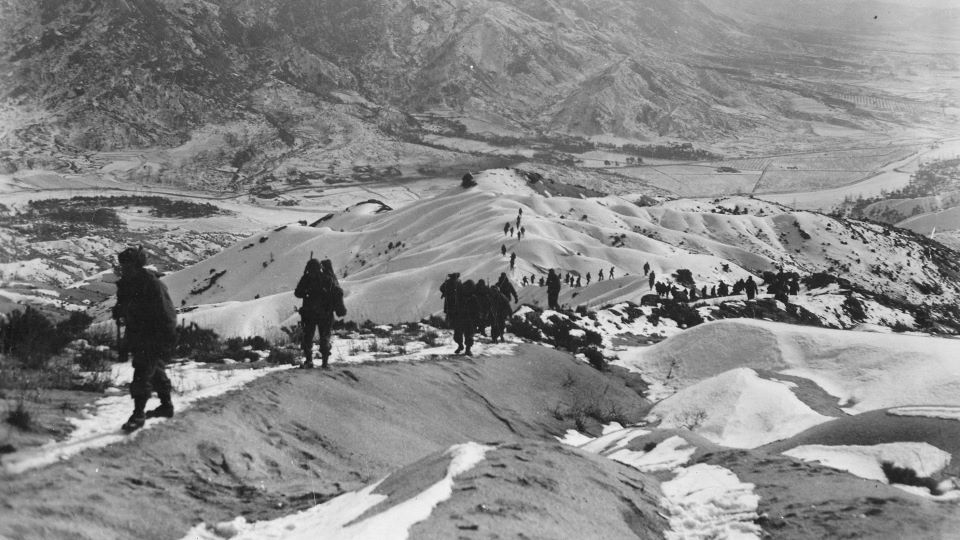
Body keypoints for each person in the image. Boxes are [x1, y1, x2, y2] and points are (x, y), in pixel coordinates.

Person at [113, 246, 177, 433]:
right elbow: (125, 305)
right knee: (155, 369)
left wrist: (165, 338)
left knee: (142, 370)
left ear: (138, 265)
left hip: (155, 334)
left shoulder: (152, 284)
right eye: (122, 265)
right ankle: (166, 406)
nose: (123, 269)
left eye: (127, 265)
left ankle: (138, 414)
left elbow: (167, 313)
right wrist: (120, 311)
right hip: (137, 333)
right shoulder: (126, 284)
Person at [294, 258, 346, 369]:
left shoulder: (306, 278)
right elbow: (336, 292)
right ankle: (325, 363)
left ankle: (309, 361)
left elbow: (297, 293)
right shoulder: (327, 278)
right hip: (325, 314)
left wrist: (307, 292)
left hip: (309, 314)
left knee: (308, 337)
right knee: (324, 338)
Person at [454, 279, 480, 355]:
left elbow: (477, 310)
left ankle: (468, 349)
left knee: (469, 336)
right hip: (460, 318)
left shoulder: (474, 298)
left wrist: (476, 320)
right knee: (457, 335)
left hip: (470, 320)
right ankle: (460, 345)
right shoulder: (459, 297)